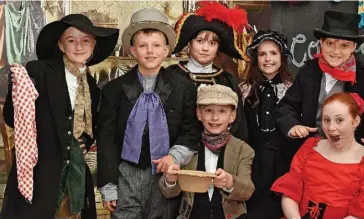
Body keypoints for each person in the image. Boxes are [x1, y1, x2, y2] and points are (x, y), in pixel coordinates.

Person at [1, 14, 119, 219]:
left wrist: (83, 141)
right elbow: (13, 119)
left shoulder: (92, 86)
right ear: (61, 45)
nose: (79, 46)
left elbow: (90, 127)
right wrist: (17, 88)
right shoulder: (38, 71)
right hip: (40, 176)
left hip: (74, 175)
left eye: (86, 41)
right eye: (71, 40)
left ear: (93, 46)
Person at [97, 8, 201, 219]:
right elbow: (106, 139)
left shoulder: (184, 88)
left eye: (156, 45)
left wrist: (174, 156)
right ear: (133, 51)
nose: (150, 51)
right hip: (126, 175)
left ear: (166, 50)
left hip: (166, 177)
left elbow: (191, 130)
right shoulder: (113, 90)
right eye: (143, 46)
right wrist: (108, 185)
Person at [276, 10, 364, 163]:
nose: (336, 51)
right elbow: (286, 107)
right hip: (309, 156)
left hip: (347, 160)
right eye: (329, 43)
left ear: (353, 47)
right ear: (321, 43)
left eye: (344, 45)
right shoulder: (308, 72)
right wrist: (292, 126)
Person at [272, 92, 364, 219]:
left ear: (355, 121)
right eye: (326, 120)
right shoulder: (310, 147)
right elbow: (290, 193)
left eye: (339, 120)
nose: (331, 127)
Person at [160, 84, 255, 219]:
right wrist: (170, 180)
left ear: (232, 116)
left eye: (222, 111)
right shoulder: (186, 147)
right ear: (199, 114)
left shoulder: (243, 150)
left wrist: (229, 182)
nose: (215, 118)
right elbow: (168, 193)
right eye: (209, 110)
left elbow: (247, 191)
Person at [167, 1, 249, 142]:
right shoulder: (171, 75)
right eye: (200, 41)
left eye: (212, 43)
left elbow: (238, 126)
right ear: (189, 43)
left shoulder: (226, 80)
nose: (205, 48)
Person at [239, 30, 293, 219]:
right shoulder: (244, 91)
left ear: (282, 57)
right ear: (255, 58)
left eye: (273, 53)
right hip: (253, 162)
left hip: (283, 162)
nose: (268, 59)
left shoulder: (293, 90)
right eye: (262, 54)